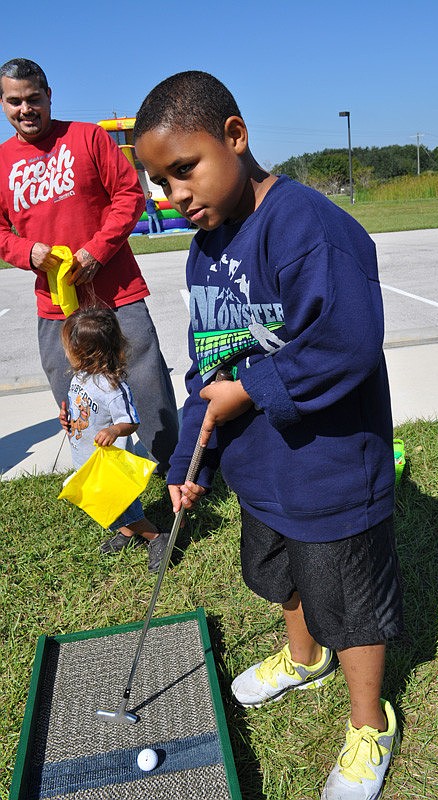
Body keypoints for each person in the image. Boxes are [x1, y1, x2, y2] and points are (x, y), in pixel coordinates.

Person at [134, 70, 403, 800]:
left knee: (348, 606)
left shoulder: (309, 227)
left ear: (234, 136)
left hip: (330, 471)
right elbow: (207, 367)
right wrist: (195, 455)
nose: (174, 195)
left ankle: (367, 721)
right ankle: (300, 654)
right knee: (278, 575)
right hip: (262, 473)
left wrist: (250, 389)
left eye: (183, 169)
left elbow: (347, 342)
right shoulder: (203, 247)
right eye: (160, 182)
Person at [0, 57, 179, 474]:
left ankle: (170, 473)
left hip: (116, 290)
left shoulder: (88, 138)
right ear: (3, 104)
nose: (25, 109)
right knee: (72, 394)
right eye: (14, 101)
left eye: (33, 98)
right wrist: (26, 252)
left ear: (48, 95)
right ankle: (105, 483)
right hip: (57, 305)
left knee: (146, 381)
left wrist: (96, 251)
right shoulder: (1, 160)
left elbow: (129, 195)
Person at [59, 306, 170, 572]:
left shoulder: (112, 386)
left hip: (108, 463)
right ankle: (128, 533)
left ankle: (156, 536)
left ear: (86, 351)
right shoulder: (81, 377)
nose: (65, 352)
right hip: (86, 458)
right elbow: (80, 411)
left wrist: (113, 431)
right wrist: (67, 418)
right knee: (104, 505)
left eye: (69, 347)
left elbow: (131, 421)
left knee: (123, 507)